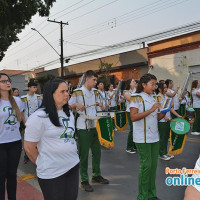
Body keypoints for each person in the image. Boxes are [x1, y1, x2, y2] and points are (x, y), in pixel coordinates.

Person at [24, 78, 79, 200]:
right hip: (52, 173)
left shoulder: (68, 113)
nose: (67, 94)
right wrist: (43, 163)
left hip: (72, 166)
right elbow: (29, 148)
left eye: (67, 91)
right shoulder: (38, 117)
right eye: (62, 91)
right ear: (51, 94)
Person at [69, 70, 109, 192]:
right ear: (87, 79)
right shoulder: (77, 92)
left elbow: (99, 106)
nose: (96, 83)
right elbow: (67, 106)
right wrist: (76, 104)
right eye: (94, 80)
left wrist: (101, 106)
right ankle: (84, 180)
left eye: (96, 80)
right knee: (84, 154)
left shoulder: (96, 92)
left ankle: (96, 175)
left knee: (97, 152)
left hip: (95, 125)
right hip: (83, 126)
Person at [130, 73, 166, 200]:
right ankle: (142, 196)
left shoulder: (154, 97)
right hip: (142, 137)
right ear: (143, 84)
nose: (155, 87)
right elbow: (133, 117)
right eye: (152, 84)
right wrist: (151, 109)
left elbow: (156, 118)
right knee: (146, 166)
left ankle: (151, 194)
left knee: (153, 166)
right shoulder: (136, 97)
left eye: (156, 84)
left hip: (154, 136)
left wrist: (165, 111)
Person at [0, 73, 24, 200]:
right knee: (1, 176)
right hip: (1, 144)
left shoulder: (18, 101)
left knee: (12, 175)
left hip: (15, 142)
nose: (7, 83)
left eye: (8, 80)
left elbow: (22, 118)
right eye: (3, 81)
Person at [156, 82, 181, 161]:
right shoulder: (158, 97)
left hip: (167, 119)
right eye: (164, 87)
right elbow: (159, 109)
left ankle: (165, 152)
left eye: (166, 87)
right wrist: (165, 116)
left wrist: (178, 115)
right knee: (163, 137)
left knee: (166, 136)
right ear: (160, 89)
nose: (166, 89)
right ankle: (162, 153)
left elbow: (170, 108)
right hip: (162, 121)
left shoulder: (165, 96)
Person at [21, 80, 42, 163]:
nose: (35, 88)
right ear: (29, 88)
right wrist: (24, 121)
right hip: (28, 120)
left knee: (38, 138)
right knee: (28, 139)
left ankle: (38, 155)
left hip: (38, 120)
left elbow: (41, 108)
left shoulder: (39, 97)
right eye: (33, 87)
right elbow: (22, 111)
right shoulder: (23, 98)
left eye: (36, 87)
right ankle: (26, 156)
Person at [124, 78, 137, 154]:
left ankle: (135, 145)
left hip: (137, 111)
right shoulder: (126, 92)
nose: (135, 82)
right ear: (129, 83)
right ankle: (129, 147)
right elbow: (130, 99)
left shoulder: (137, 90)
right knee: (132, 129)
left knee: (136, 129)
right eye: (133, 81)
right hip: (130, 111)